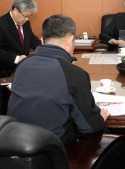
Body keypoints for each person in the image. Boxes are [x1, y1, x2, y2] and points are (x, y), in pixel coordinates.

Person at [7, 14, 110, 146]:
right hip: (53, 148)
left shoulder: (22, 65)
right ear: (70, 40)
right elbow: (89, 127)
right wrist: (99, 118)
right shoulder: (75, 74)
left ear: (42, 40)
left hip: (15, 143)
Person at [0, 0, 41, 76]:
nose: (27, 19)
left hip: (23, 66)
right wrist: (16, 58)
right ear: (15, 11)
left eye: (29, 16)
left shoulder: (25, 23)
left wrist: (46, 49)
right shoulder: (0, 24)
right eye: (25, 16)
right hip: (6, 69)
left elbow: (31, 39)